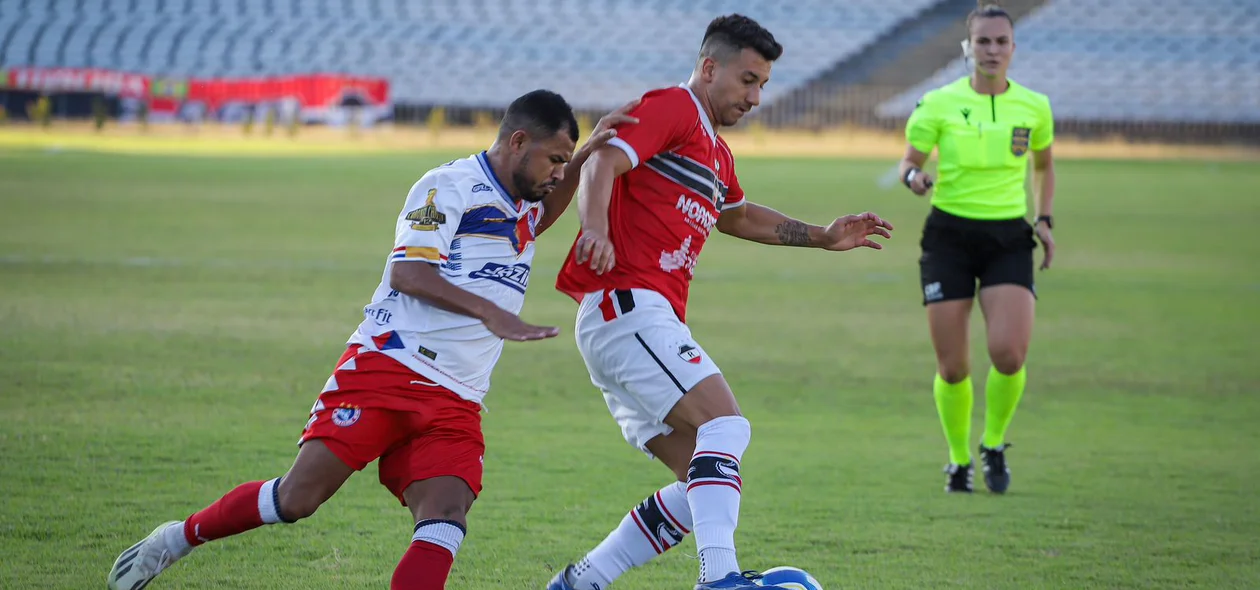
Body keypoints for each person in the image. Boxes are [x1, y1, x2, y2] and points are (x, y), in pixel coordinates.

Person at [106, 90, 639, 590]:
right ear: (517, 141)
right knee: (296, 500)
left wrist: (589, 151)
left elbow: (542, 215)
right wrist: (491, 313)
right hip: (389, 369)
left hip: (458, 399)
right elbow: (409, 273)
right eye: (554, 159)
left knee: (447, 516)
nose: (558, 173)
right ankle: (177, 539)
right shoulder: (447, 186)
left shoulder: (524, 204)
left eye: (565, 162)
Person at [546, 14, 894, 590]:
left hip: (627, 324)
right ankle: (719, 579)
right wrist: (595, 228)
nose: (756, 97)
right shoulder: (673, 108)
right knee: (727, 428)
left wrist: (824, 235)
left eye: (763, 85)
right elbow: (604, 160)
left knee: (702, 484)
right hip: (628, 306)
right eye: (748, 80)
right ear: (710, 68)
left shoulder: (715, 153)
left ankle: (581, 581)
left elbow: (740, 215)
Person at [896, 1, 1056, 494]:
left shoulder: (1034, 106)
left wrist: (1044, 219)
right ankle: (958, 459)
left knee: (1008, 354)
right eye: (982, 41)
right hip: (949, 237)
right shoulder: (938, 103)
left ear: (1012, 47)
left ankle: (992, 444)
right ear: (969, 48)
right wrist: (915, 178)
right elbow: (906, 163)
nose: (991, 50)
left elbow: (1044, 166)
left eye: (1000, 41)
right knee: (954, 366)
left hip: (1008, 237)